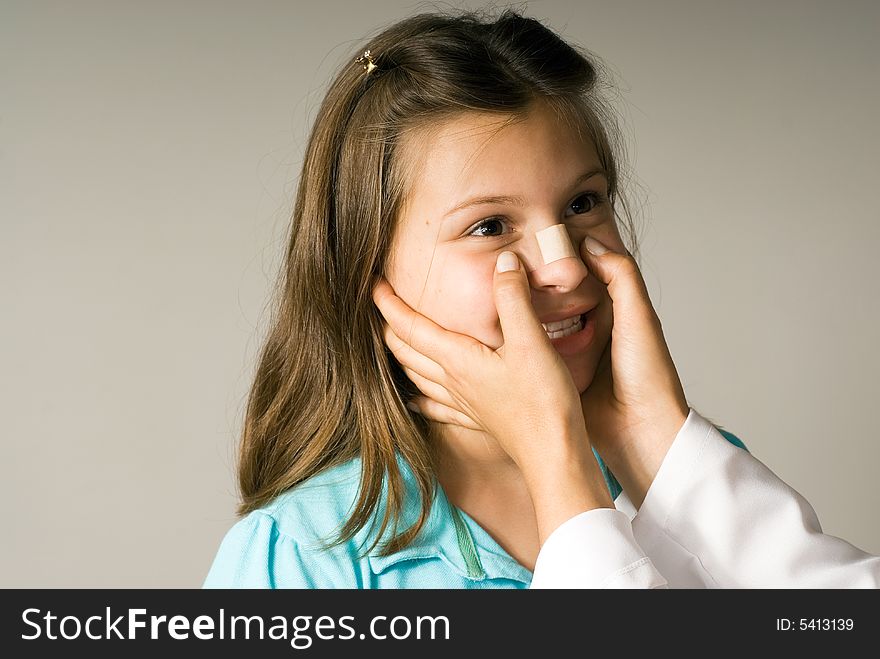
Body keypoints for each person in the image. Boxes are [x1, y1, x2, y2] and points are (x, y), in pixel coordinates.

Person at [203, 8, 880, 589]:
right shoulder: (305, 555)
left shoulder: (688, 475)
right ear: (364, 268)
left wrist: (622, 451)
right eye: (489, 225)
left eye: (584, 203)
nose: (562, 267)